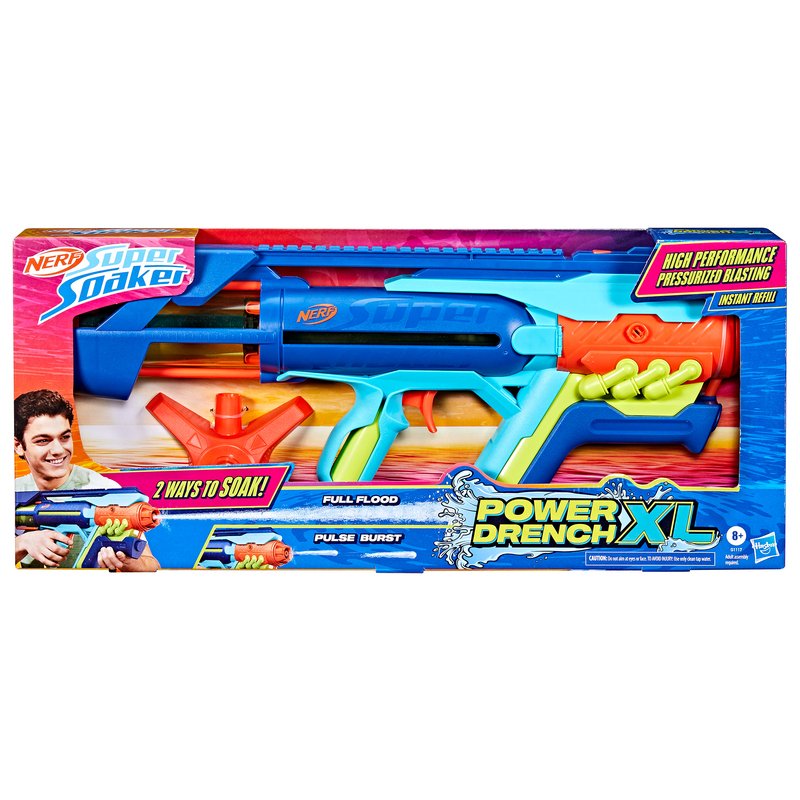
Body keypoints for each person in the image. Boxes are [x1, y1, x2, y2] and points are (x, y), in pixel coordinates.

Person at [14, 389, 159, 571]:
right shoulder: (14, 491)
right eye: (43, 441)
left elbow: (152, 565)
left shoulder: (106, 492)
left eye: (65, 437)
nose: (58, 450)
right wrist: (22, 543)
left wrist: (126, 562)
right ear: (18, 446)